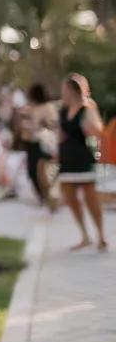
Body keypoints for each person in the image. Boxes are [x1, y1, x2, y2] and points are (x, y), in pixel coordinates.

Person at [56, 73, 108, 251]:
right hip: (66, 157)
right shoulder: (62, 110)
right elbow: (60, 132)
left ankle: (101, 235)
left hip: (83, 156)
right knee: (69, 197)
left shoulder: (87, 107)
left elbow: (98, 131)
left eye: (64, 88)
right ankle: (85, 235)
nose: (62, 91)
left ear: (72, 89)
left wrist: (88, 128)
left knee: (90, 197)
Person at [23, 83, 57, 210]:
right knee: (31, 171)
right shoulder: (30, 107)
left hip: (43, 143)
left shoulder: (48, 107)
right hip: (30, 142)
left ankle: (49, 197)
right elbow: (25, 124)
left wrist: (42, 124)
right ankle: (42, 196)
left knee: (44, 172)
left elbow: (52, 124)